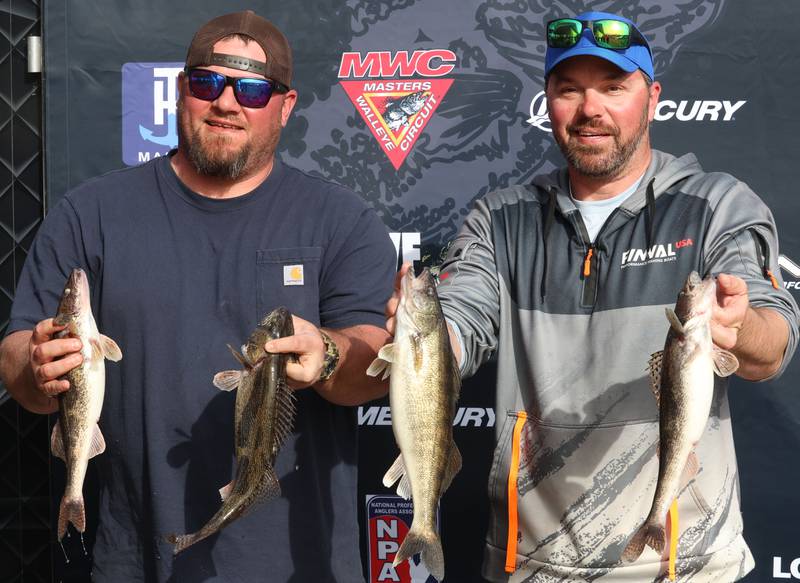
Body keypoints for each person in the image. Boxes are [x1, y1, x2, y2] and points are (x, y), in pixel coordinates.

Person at [386, 10, 799, 582]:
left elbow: (773, 342)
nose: (590, 110)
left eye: (613, 87)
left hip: (686, 565)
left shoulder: (716, 205)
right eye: (569, 89)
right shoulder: (501, 219)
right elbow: (462, 318)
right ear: (548, 101)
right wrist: (428, 338)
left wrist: (739, 326)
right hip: (530, 564)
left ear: (651, 97)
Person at [0, 10, 395, 583]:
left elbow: (375, 362)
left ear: (285, 107)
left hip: (296, 564)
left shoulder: (341, 221)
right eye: (209, 83)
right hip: (132, 560)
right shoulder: (91, 214)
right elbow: (17, 360)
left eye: (253, 89)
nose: (227, 104)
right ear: (183, 92)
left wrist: (328, 354)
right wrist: (36, 367)